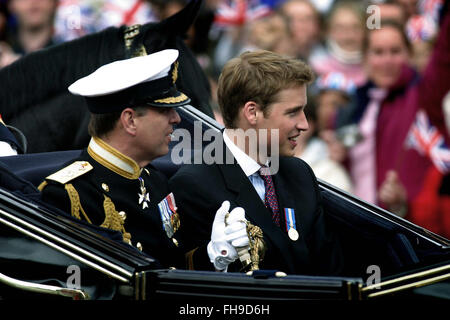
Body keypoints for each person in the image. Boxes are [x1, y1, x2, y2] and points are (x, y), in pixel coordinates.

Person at [169, 50, 344, 275]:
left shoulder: (299, 174)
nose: (304, 124)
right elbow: (191, 282)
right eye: (293, 113)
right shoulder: (195, 184)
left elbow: (329, 268)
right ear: (252, 112)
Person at [38, 50, 198, 268]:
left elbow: (175, 262)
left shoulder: (154, 179)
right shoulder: (68, 195)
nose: (176, 118)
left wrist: (216, 254)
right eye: (165, 110)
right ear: (130, 120)